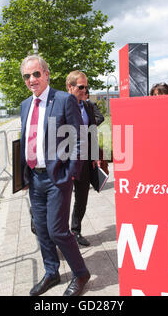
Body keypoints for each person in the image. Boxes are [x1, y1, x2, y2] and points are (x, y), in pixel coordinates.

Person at [19, 55, 90, 296]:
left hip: (58, 177)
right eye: (27, 76)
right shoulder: (25, 106)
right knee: (41, 229)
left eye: (36, 74)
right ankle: (52, 271)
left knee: (58, 230)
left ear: (47, 74)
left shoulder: (64, 100)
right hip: (34, 178)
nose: (32, 79)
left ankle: (81, 273)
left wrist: (71, 173)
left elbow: (80, 138)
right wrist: (23, 176)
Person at [66, 70, 104, 247]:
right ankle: (59, 233)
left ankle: (76, 231)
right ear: (70, 87)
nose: (84, 90)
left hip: (85, 160)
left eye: (86, 87)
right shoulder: (61, 105)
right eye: (81, 87)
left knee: (82, 198)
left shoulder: (88, 106)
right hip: (66, 161)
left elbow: (92, 132)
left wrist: (95, 156)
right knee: (62, 199)